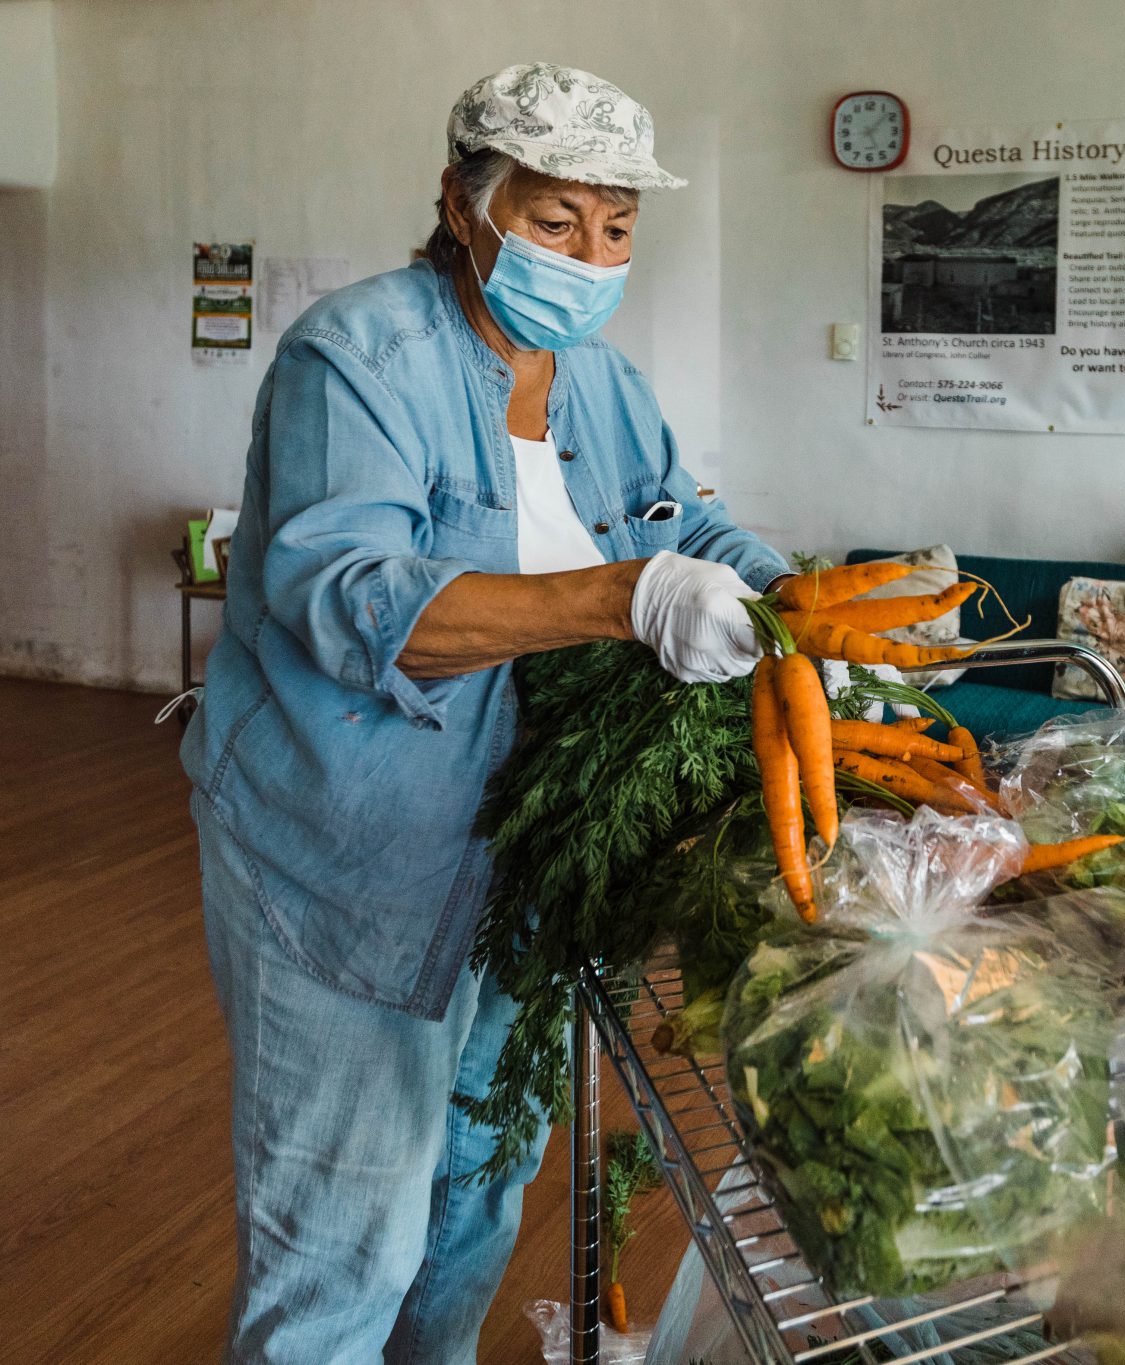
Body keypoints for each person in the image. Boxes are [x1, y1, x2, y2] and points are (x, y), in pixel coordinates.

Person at [180, 63, 788, 1363]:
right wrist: (626, 597)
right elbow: (347, 596)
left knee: (474, 1188)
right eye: (556, 220)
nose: (592, 255)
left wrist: (819, 604)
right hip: (349, 858)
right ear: (466, 206)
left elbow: (688, 519)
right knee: (348, 1235)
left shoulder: (601, 383)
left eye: (618, 227)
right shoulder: (360, 359)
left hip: (517, 854)